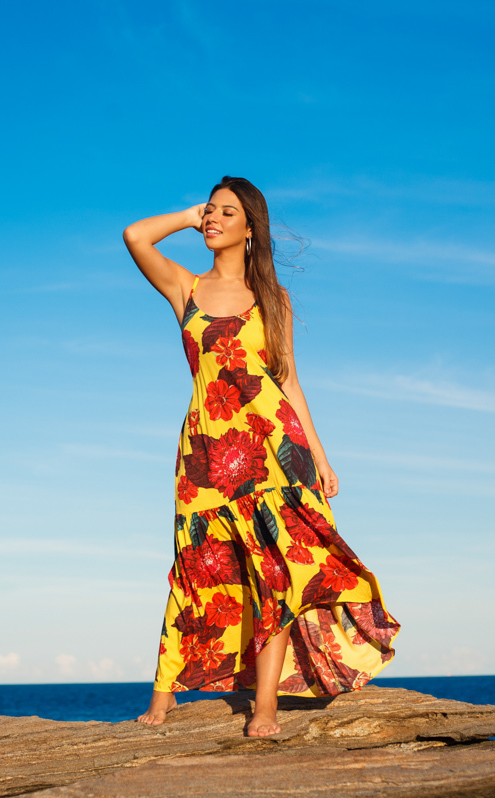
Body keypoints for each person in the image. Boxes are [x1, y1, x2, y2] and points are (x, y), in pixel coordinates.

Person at [123, 176, 401, 737]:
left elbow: (289, 382)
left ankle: (266, 706)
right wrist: (192, 213)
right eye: (211, 212)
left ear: (252, 229)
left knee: (273, 570)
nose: (213, 220)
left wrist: (320, 458)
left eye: (228, 213)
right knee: (196, 562)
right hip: (205, 449)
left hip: (275, 449)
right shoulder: (185, 287)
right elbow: (135, 236)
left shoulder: (273, 299)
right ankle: (164, 691)